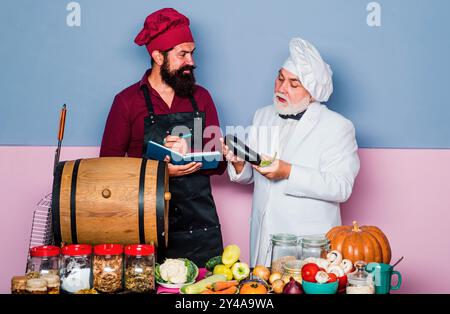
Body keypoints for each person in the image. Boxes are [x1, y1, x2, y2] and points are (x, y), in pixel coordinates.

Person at [100, 8, 225, 265]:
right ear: (158, 56)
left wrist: (201, 153)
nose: (191, 61)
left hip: (199, 227)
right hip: (143, 226)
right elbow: (108, 169)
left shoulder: (202, 98)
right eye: (182, 54)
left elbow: (218, 164)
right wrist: (160, 173)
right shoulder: (127, 102)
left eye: (192, 53)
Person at [222, 38, 360, 267]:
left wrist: (288, 171)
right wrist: (239, 164)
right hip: (262, 240)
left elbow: (341, 186)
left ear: (312, 93)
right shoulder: (263, 115)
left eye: (294, 84)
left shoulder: (337, 127)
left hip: (306, 245)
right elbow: (254, 173)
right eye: (280, 78)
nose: (281, 88)